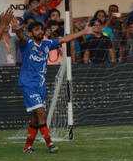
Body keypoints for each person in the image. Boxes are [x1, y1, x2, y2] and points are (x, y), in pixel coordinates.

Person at [12, 19, 93, 153]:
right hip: (28, 85)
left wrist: (84, 32)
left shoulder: (47, 44)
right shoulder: (27, 44)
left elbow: (64, 39)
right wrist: (17, 29)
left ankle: (27, 148)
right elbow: (21, 36)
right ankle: (50, 144)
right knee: (41, 113)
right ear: (30, 33)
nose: (39, 31)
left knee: (35, 118)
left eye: (41, 29)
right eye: (36, 29)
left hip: (40, 86)